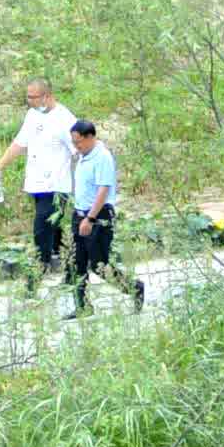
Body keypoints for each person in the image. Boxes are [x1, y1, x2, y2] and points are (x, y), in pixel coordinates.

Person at [0, 81, 77, 285]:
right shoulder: (33, 115)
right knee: (56, 235)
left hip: (57, 188)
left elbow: (79, 151)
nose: (29, 101)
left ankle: (33, 282)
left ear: (47, 96)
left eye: (33, 97)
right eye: (28, 97)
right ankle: (73, 273)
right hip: (36, 186)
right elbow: (19, 143)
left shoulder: (65, 119)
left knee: (41, 233)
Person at [64, 117, 131, 316]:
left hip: (98, 216)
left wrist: (90, 219)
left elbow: (103, 190)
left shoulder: (102, 157)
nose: (76, 147)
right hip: (80, 215)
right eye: (74, 143)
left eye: (79, 142)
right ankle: (82, 306)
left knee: (99, 264)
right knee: (76, 263)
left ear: (91, 137)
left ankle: (134, 289)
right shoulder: (83, 157)